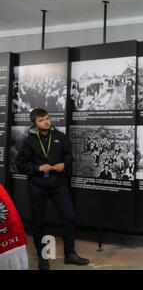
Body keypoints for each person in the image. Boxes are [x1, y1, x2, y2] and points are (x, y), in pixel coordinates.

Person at [15, 108, 89, 270]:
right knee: (38, 222)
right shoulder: (29, 141)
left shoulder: (60, 137)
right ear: (34, 122)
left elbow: (69, 156)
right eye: (41, 120)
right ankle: (42, 256)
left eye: (47, 118)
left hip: (58, 185)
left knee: (69, 217)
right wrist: (37, 168)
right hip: (37, 186)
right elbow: (20, 165)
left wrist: (64, 164)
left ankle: (70, 254)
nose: (46, 122)